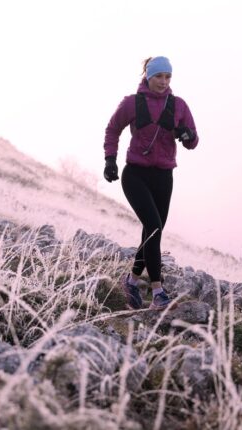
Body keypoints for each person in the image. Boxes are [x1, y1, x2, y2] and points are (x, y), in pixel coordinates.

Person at [102, 56, 199, 310]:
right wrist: (110, 160)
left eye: (168, 77)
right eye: (159, 76)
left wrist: (188, 136)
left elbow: (193, 140)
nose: (163, 82)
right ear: (148, 76)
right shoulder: (132, 103)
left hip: (163, 177)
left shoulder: (178, 106)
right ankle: (158, 293)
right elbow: (113, 129)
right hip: (135, 174)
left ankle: (132, 282)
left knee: (152, 232)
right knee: (154, 227)